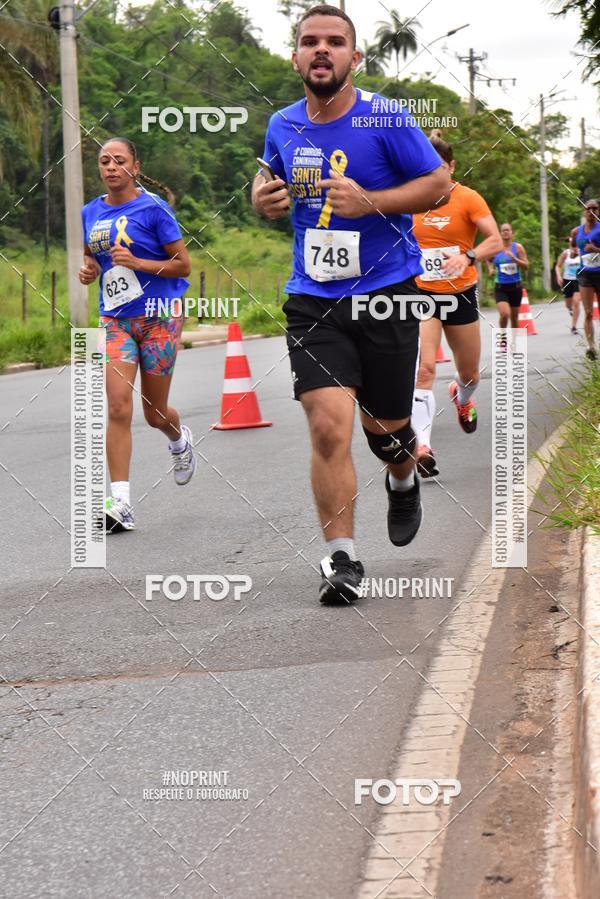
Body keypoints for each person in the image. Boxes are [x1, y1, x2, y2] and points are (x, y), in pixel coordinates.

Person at [251, 4, 451, 604]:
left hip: (387, 292)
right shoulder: (283, 124)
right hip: (313, 298)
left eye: (334, 42)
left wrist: (372, 202)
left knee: (385, 431)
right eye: (310, 41)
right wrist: (262, 198)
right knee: (327, 426)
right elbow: (265, 178)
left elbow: (437, 184)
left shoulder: (386, 117)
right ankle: (342, 558)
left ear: (354, 57)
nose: (322, 49)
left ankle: (402, 476)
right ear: (295, 57)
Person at [79, 137, 195, 533]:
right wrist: (89, 270)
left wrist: (139, 262)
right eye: (104, 161)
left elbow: (183, 266)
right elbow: (92, 254)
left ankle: (178, 440)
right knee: (117, 407)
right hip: (116, 319)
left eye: (119, 160)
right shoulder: (90, 212)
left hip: (161, 316)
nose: (111, 167)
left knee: (154, 413)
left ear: (135, 166)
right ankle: (121, 504)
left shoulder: (154, 208)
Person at [411, 133, 501, 478]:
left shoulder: (468, 198)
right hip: (422, 294)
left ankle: (461, 399)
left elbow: (494, 240)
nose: (431, 174)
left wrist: (469, 256)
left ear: (451, 167)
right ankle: (422, 447)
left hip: (460, 293)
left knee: (470, 373)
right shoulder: (410, 198)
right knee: (424, 370)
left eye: (437, 168)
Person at [487, 223, 529, 344]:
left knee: (514, 317)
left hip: (515, 287)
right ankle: (503, 336)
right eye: (503, 230)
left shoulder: (518, 248)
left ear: (512, 232)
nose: (505, 232)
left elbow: (526, 266)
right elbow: (488, 259)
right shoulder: (496, 248)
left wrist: (514, 259)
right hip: (501, 287)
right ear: (500, 233)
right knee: (505, 314)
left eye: (507, 230)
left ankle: (513, 342)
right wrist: (490, 269)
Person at [570, 199, 600, 360]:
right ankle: (591, 346)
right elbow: (573, 248)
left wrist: (595, 249)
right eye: (588, 208)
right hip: (585, 274)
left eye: (595, 208)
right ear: (584, 210)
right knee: (588, 312)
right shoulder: (576, 231)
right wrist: (574, 252)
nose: (591, 211)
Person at [555, 239, 581, 334]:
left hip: (579, 280)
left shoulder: (582, 253)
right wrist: (558, 276)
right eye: (573, 245)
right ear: (570, 245)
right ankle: (570, 309)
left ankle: (574, 327)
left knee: (576, 302)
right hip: (567, 280)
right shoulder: (565, 253)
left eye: (576, 245)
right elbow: (558, 266)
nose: (574, 247)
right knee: (568, 304)